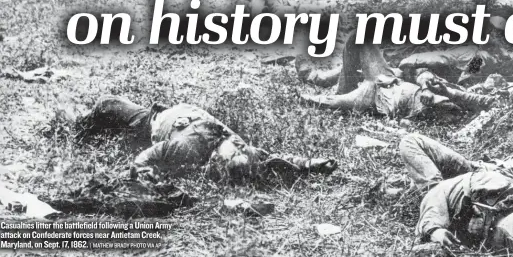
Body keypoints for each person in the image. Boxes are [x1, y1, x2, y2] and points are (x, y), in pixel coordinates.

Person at [77, 95, 338, 181]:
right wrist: (309, 163)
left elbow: (146, 157)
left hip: (147, 125)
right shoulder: (237, 148)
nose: (238, 145)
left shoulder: (187, 149)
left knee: (107, 105)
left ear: (217, 160)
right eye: (240, 149)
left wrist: (143, 174)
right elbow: (272, 158)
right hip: (174, 114)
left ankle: (81, 124)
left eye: (235, 153)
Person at [297, 31, 495, 118]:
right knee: (366, 55)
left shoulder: (474, 56)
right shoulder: (475, 59)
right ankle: (324, 81)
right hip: (406, 77)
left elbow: (419, 63)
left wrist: (420, 73)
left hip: (403, 80)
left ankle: (325, 82)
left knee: (360, 42)